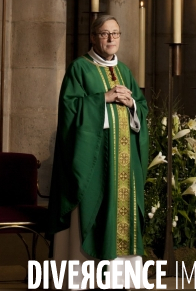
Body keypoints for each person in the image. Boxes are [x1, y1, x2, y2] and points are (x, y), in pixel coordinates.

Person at [48, 15, 149, 289]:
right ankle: (84, 281)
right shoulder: (79, 68)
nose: (111, 39)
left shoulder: (125, 71)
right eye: (105, 34)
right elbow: (69, 110)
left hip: (123, 165)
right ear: (93, 37)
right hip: (95, 164)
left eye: (116, 33)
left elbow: (142, 108)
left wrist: (133, 106)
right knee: (94, 209)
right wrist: (102, 99)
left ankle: (122, 280)